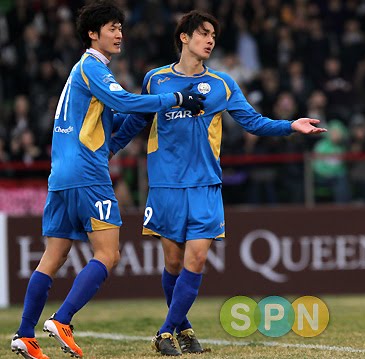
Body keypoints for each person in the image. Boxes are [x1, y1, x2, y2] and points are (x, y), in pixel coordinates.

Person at [109, 10, 326, 356]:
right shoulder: (156, 80)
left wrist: (290, 125)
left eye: (213, 35)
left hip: (205, 185)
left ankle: (165, 332)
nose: (210, 40)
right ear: (184, 37)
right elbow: (136, 122)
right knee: (174, 264)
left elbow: (253, 121)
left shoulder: (223, 84)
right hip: (165, 186)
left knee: (197, 259)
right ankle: (185, 330)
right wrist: (106, 150)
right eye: (204, 33)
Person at [10, 2, 201, 359]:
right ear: (92, 34)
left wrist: (148, 108)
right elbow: (121, 100)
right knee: (108, 253)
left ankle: (24, 334)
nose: (119, 35)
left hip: (61, 176)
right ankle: (63, 319)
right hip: (87, 175)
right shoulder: (92, 67)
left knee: (52, 256)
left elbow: (113, 130)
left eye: (120, 28)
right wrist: (174, 97)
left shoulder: (80, 75)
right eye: (112, 28)